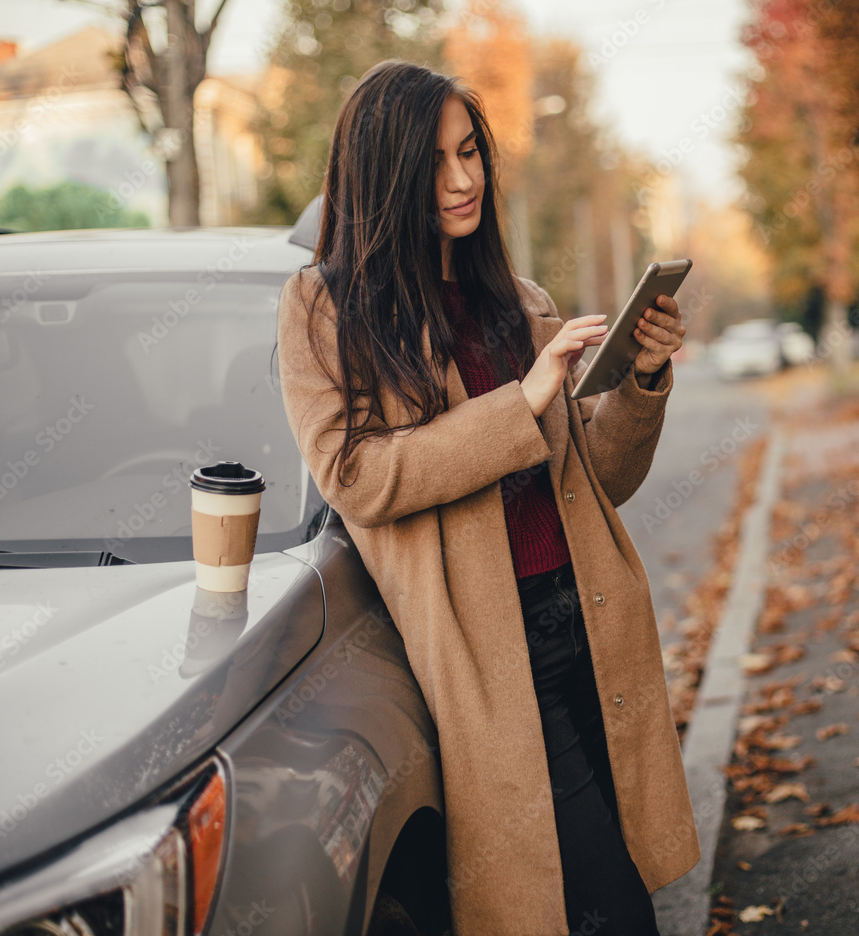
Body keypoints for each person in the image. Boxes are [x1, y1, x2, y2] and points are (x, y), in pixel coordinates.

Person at [276, 59, 700, 936]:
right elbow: (356, 476)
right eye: (435, 162)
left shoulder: (516, 299)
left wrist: (643, 379)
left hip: (588, 619)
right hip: (492, 650)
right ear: (384, 172)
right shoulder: (324, 308)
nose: (463, 179)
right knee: (606, 910)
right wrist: (524, 400)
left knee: (616, 879)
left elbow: (602, 482)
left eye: (471, 152)